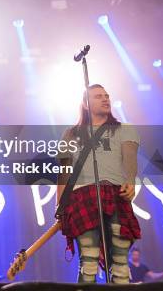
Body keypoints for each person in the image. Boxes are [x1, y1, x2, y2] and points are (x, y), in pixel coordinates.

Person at [56, 84, 141, 284]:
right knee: (89, 262)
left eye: (106, 95)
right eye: (98, 96)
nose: (105, 99)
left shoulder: (124, 129)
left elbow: (129, 157)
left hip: (115, 194)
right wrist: (60, 206)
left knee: (120, 263)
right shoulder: (71, 133)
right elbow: (64, 173)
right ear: (85, 104)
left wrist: (130, 181)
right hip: (81, 198)